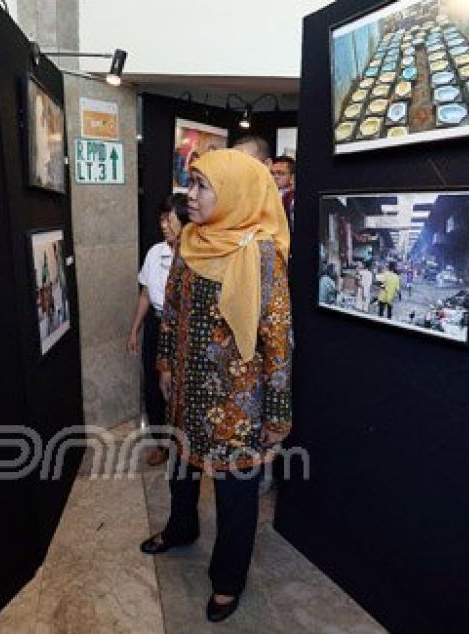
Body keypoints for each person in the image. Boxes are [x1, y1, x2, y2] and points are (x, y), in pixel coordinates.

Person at [139, 149, 292, 623]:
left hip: (237, 404)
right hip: (186, 391)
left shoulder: (262, 252)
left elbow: (278, 337)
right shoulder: (190, 241)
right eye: (192, 183)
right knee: (182, 471)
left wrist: (278, 413)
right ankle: (181, 528)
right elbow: (172, 308)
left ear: (235, 193)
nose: (192, 195)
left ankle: (228, 580)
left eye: (203, 186)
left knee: (235, 496)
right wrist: (164, 365)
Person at [127, 194, 189, 466]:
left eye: (169, 218)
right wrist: (135, 329)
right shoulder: (154, 252)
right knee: (154, 387)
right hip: (156, 323)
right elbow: (144, 294)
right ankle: (162, 444)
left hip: (184, 331)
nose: (163, 225)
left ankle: (187, 445)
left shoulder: (196, 256)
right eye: (161, 219)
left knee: (182, 388)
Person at [271, 155, 296, 231]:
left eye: (281, 173)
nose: (275, 177)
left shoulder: (292, 198)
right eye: (272, 173)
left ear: (292, 177)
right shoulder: (266, 194)